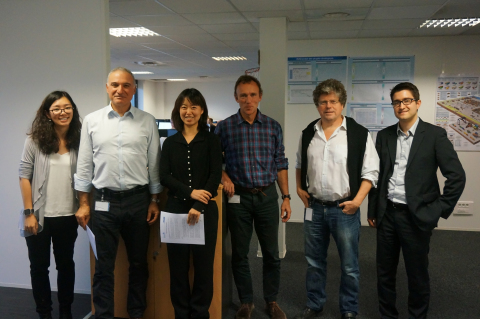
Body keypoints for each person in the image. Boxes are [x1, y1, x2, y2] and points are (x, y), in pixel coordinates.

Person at [368, 82, 466, 319]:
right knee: (384, 272)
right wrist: (373, 210)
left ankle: (417, 316)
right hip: (388, 215)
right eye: (397, 102)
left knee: (417, 273)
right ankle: (387, 315)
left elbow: (456, 176)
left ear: (417, 103)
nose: (401, 106)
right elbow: (377, 175)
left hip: (417, 216)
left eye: (406, 100)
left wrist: (439, 209)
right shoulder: (384, 136)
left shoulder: (434, 135)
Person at [74, 67, 161, 319]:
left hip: (138, 201)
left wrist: (154, 200)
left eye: (125, 85)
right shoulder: (92, 120)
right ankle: (103, 315)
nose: (119, 90)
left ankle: (136, 313)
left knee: (138, 265)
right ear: (107, 88)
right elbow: (84, 165)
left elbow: (154, 163)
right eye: (114, 85)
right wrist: (83, 203)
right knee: (103, 268)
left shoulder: (147, 120)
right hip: (103, 202)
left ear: (134, 89)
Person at [294, 79, 379, 319]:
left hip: (345, 210)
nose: (328, 106)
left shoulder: (360, 134)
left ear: (342, 104)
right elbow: (300, 163)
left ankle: (349, 308)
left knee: (350, 266)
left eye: (333, 101)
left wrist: (358, 201)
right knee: (314, 262)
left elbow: (371, 172)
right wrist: (299, 188)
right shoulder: (309, 132)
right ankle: (315, 303)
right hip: (314, 208)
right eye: (323, 102)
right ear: (317, 105)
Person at [215, 75, 291, 319]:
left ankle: (271, 300)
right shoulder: (225, 127)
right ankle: (246, 301)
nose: (248, 100)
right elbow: (215, 160)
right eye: (243, 95)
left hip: (267, 197)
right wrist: (224, 176)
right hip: (239, 199)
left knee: (271, 253)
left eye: (252, 94)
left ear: (260, 96)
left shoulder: (272, 126)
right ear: (236, 98)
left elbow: (280, 163)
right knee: (239, 253)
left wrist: (286, 197)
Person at [160, 88, 222, 319]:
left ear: (202, 110)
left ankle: (199, 314)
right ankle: (181, 314)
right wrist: (190, 193)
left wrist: (199, 204)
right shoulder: (170, 142)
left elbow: (214, 175)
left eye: (194, 107)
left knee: (204, 269)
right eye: (184, 107)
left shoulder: (211, 141)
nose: (189, 112)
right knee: (177, 269)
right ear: (178, 110)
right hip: (175, 210)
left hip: (205, 211)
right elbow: (164, 176)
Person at [19, 91, 82, 319]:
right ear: (48, 113)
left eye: (67, 107)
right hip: (39, 216)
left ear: (73, 110)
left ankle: (66, 311)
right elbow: (24, 176)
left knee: (66, 266)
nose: (62, 112)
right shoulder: (34, 140)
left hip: (68, 215)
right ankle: (44, 313)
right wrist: (29, 213)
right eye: (56, 109)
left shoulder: (80, 139)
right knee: (39, 268)